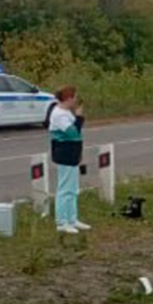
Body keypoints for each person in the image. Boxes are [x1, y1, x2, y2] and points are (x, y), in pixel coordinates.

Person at [48, 86, 89, 234]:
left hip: (72, 153)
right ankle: (61, 222)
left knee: (73, 189)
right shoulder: (59, 114)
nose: (76, 100)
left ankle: (72, 219)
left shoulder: (65, 112)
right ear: (68, 98)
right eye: (74, 97)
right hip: (64, 153)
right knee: (64, 189)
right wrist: (79, 117)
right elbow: (72, 133)